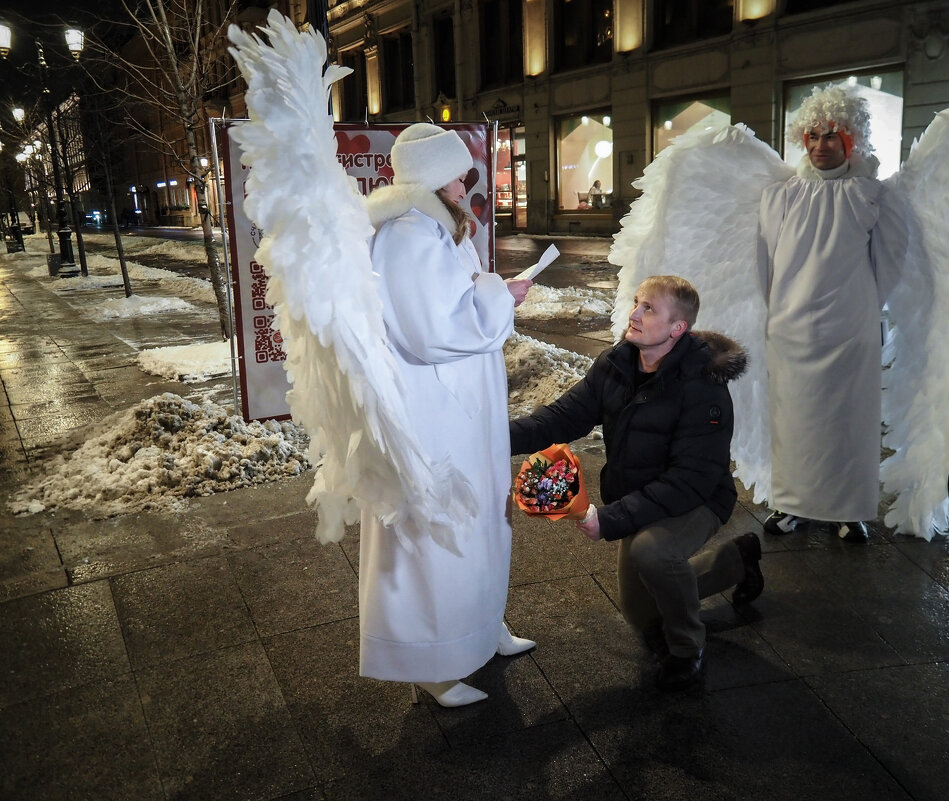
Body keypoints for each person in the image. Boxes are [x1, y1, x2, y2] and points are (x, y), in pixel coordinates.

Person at [510, 275, 763, 692]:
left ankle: (687, 650)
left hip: (697, 498)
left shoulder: (703, 388)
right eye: (636, 302)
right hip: (642, 496)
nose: (634, 314)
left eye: (649, 309)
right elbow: (560, 418)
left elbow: (689, 479)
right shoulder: (617, 365)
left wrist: (611, 519)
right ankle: (737, 561)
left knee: (653, 553)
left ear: (677, 328)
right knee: (643, 614)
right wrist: (494, 437)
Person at [359, 123, 535, 708]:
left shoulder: (436, 229)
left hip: (461, 403)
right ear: (437, 177)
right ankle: (432, 659)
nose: (467, 184)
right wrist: (499, 295)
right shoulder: (410, 234)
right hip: (434, 409)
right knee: (438, 526)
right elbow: (434, 331)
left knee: (479, 514)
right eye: (460, 175)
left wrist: (491, 291)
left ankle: (480, 628)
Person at [758, 85, 907, 543]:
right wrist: (782, 312)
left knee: (848, 424)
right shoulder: (781, 196)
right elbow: (767, 261)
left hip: (849, 333)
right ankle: (791, 506)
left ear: (850, 140)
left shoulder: (871, 196)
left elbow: (889, 261)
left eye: (831, 137)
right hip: (791, 332)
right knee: (795, 425)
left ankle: (848, 508)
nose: (821, 145)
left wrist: (856, 308)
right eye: (813, 136)